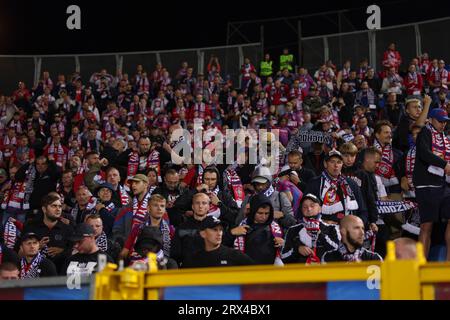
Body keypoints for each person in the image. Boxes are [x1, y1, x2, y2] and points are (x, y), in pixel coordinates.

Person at [413, 108, 450, 260]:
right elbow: (424, 153)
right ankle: (421, 264)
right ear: (431, 120)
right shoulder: (424, 133)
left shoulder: (445, 138)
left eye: (445, 122)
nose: (443, 124)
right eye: (440, 121)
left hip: (443, 185)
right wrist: (444, 164)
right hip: (426, 185)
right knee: (426, 226)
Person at [305, 149, 368, 226]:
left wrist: (356, 224)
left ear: (342, 164)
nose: (336, 165)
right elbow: (306, 210)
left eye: (339, 162)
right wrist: (322, 222)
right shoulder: (315, 183)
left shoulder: (351, 184)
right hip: (324, 229)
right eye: (332, 162)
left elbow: (363, 211)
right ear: (325, 164)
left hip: (349, 228)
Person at [281, 194, 340, 264]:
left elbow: (338, 253)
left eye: (312, 206)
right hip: (301, 273)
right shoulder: (293, 230)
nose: (309, 209)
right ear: (301, 210)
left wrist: (320, 235)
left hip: (325, 273)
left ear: (320, 208)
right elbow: (283, 257)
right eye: (305, 207)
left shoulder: (332, 228)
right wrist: (297, 250)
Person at [22, 193, 73, 271]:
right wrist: (37, 247)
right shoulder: (31, 227)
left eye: (60, 206)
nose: (58, 209)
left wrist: (63, 251)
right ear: (44, 209)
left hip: (60, 275)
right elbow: (19, 254)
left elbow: (75, 251)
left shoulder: (68, 229)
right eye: (54, 206)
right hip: (34, 275)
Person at [230, 194, 284, 265]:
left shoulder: (275, 229)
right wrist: (231, 233)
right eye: (260, 213)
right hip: (247, 270)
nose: (263, 216)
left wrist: (283, 244)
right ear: (253, 211)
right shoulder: (241, 227)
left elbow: (288, 252)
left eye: (267, 213)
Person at [183, 216, 254, 268]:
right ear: (203, 233)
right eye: (214, 229)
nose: (219, 233)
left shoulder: (235, 255)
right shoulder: (193, 260)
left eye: (220, 230)